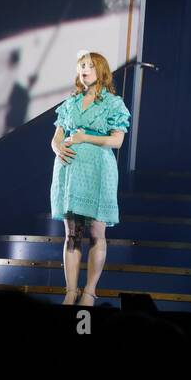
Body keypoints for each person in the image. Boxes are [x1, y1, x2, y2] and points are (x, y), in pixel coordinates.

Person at [49, 51, 130, 306]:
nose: (84, 70)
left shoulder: (113, 104)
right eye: (81, 66)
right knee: (72, 233)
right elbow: (57, 135)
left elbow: (117, 140)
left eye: (89, 66)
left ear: (101, 70)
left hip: (98, 172)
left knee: (97, 232)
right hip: (70, 171)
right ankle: (70, 290)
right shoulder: (70, 103)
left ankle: (89, 292)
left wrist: (86, 138)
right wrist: (57, 147)